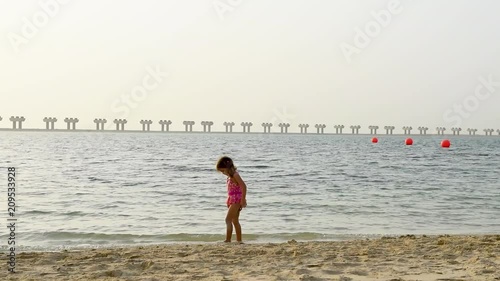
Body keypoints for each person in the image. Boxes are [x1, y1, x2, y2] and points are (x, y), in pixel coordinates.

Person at [216, 156, 247, 243]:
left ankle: (228, 239)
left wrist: (243, 199)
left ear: (227, 167)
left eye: (223, 170)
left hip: (237, 200)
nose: (222, 173)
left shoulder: (235, 175)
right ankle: (239, 240)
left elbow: (243, 186)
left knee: (228, 220)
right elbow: (231, 190)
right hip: (232, 199)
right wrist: (228, 200)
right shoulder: (229, 177)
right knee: (235, 220)